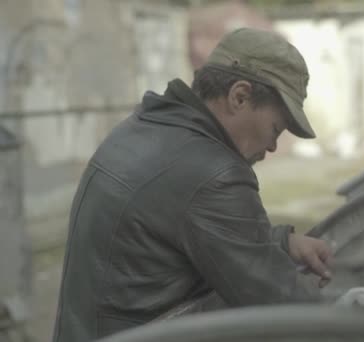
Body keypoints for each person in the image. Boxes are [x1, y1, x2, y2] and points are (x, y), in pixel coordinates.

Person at [52, 27, 333, 342]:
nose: (272, 147)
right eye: (275, 129)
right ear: (239, 96)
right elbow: (279, 299)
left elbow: (191, 227)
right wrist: (357, 323)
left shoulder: (143, 126)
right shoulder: (215, 173)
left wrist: (281, 242)